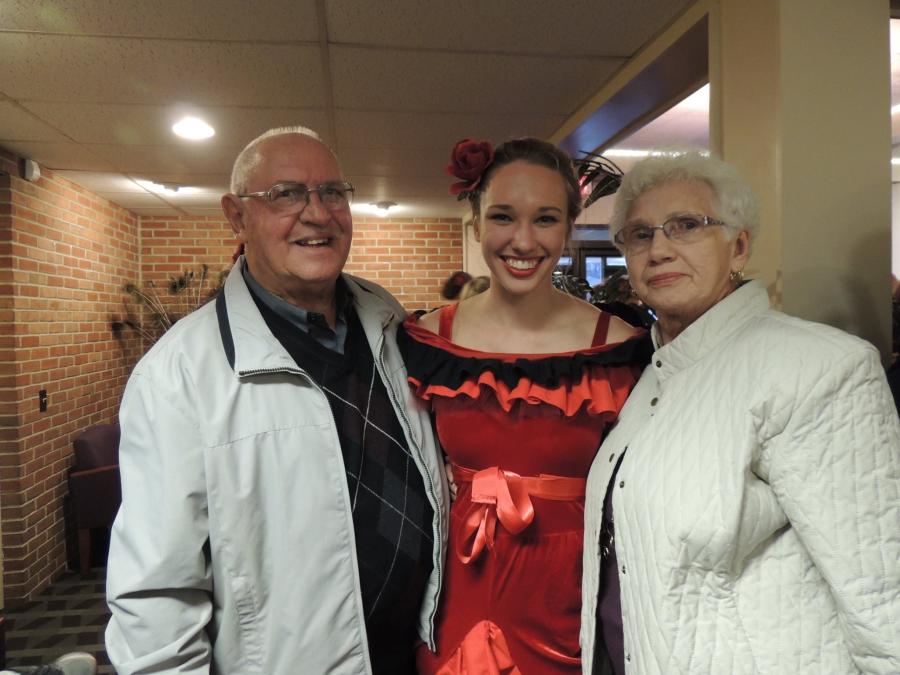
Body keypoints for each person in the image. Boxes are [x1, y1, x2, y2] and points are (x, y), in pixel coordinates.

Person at [105, 126, 448, 675]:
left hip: (418, 654)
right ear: (237, 217)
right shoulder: (178, 376)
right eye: (286, 194)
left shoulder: (388, 321)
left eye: (333, 192)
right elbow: (156, 596)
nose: (317, 213)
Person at [581, 151, 900, 674]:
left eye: (687, 226)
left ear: (739, 245)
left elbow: (882, 596)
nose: (659, 248)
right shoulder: (654, 377)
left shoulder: (818, 367)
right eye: (640, 235)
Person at [399, 138, 652, 673]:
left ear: (567, 228)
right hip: (459, 583)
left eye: (545, 219)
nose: (523, 239)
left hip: (573, 599)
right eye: (503, 216)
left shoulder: (619, 345)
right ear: (475, 223)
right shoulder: (427, 340)